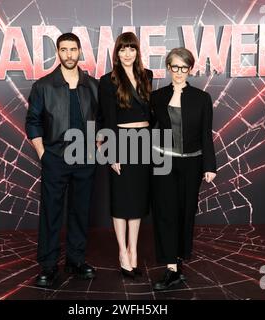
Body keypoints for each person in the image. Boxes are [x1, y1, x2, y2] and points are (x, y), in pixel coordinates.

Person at [25, 33, 100, 287]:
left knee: (80, 212)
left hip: (85, 158)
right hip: (55, 157)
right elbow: (33, 122)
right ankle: (48, 265)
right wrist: (43, 154)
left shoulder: (93, 85)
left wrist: (97, 146)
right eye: (64, 49)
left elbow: (101, 121)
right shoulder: (43, 86)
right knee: (51, 212)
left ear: (80, 52)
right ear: (58, 52)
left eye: (73, 49)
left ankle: (76, 260)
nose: (69, 54)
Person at [150, 47, 217, 290]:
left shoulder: (202, 98)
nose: (179, 72)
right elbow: (147, 129)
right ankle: (171, 269)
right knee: (165, 213)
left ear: (190, 69)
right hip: (164, 162)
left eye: (183, 68)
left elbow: (205, 134)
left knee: (185, 213)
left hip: (192, 163)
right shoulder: (156, 97)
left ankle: (179, 261)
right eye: (174, 67)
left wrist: (210, 165)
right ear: (168, 68)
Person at [99, 32, 153, 278]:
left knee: (138, 201)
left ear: (137, 52)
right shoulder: (107, 80)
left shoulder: (147, 75)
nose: (127, 54)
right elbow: (107, 117)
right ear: (117, 53)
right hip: (121, 142)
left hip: (144, 143)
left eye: (132, 49)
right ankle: (122, 251)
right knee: (121, 200)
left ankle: (133, 250)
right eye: (123, 49)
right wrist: (110, 152)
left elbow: (152, 114)